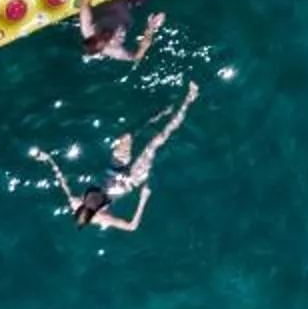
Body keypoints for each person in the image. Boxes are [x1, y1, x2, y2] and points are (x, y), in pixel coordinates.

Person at [33, 80, 200, 233]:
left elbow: (62, 181)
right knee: (156, 142)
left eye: (87, 204)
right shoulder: (101, 218)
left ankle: (163, 112)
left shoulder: (74, 202)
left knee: (126, 136)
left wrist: (48, 159)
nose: (91, 204)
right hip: (129, 181)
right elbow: (131, 226)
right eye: (93, 208)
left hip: (113, 171)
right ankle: (188, 100)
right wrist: (143, 199)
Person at [77, 0, 166, 66]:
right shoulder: (115, 50)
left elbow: (84, 3)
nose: (106, 35)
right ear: (104, 47)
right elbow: (135, 58)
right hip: (130, 1)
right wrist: (150, 30)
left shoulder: (88, 29)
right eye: (105, 39)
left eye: (100, 34)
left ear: (93, 35)